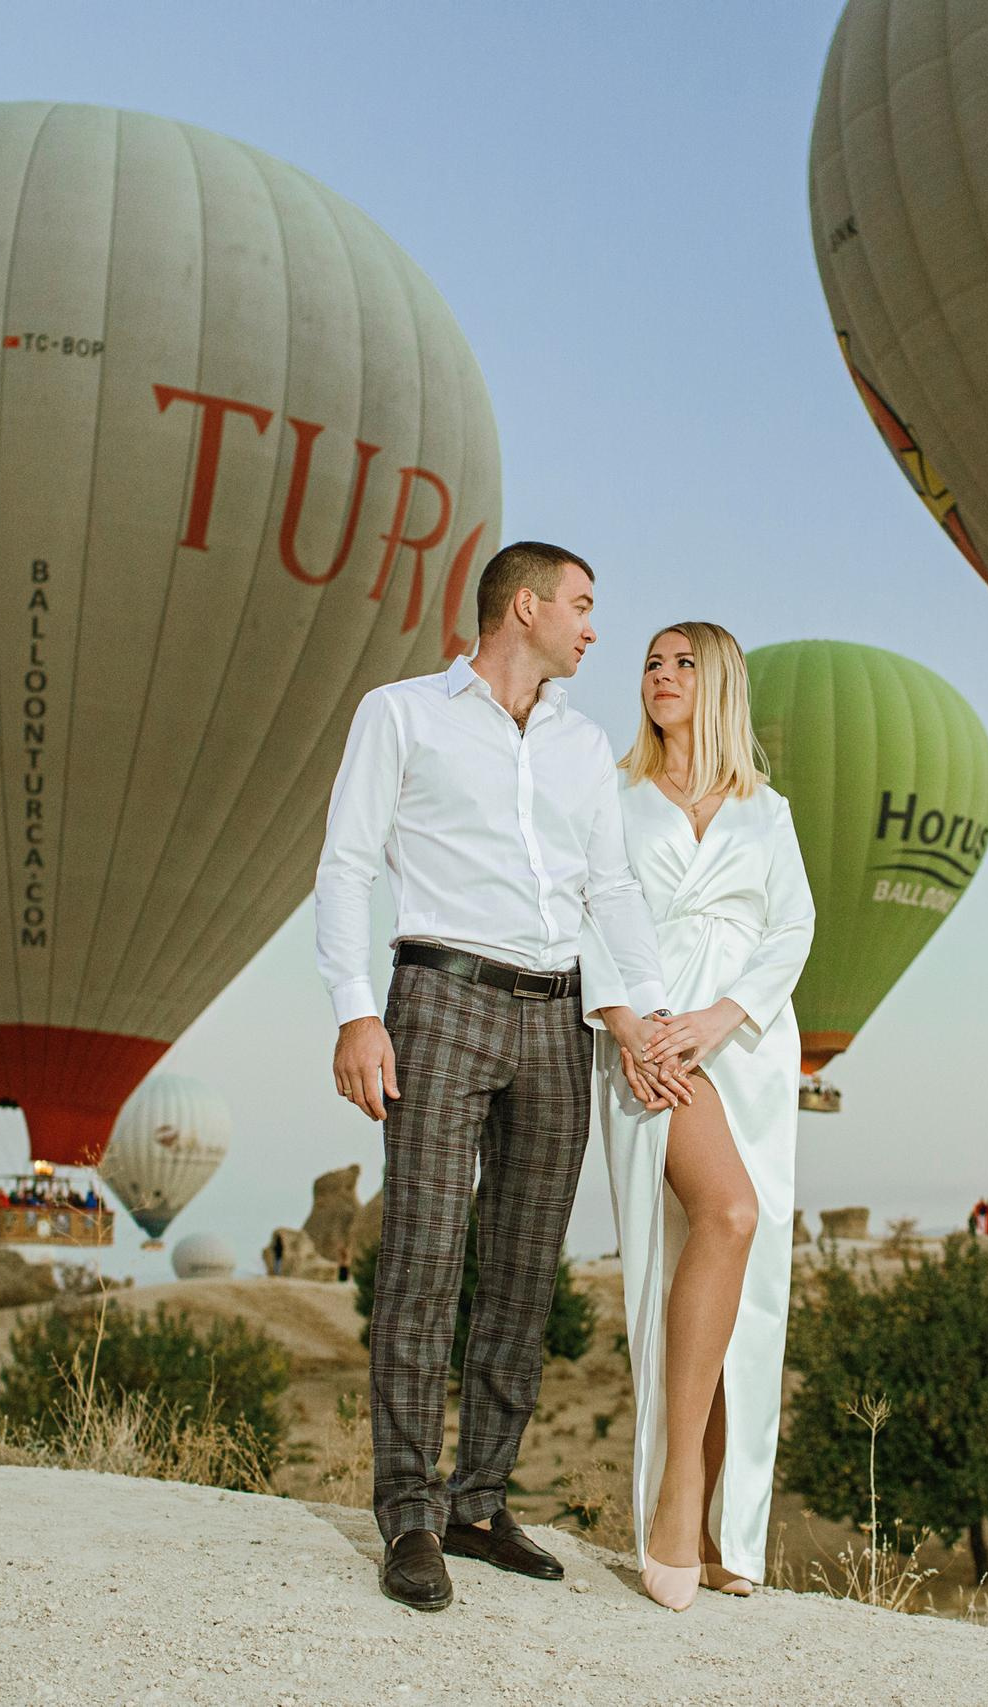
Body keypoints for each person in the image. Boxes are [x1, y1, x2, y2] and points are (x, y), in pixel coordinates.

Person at [318, 541, 681, 1615]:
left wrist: (646, 1014)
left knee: (522, 1273)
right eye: (580, 604)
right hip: (438, 997)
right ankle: (409, 1515)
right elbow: (345, 863)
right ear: (522, 608)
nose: (593, 627)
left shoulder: (581, 747)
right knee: (425, 1257)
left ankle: (479, 1502)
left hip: (556, 1013)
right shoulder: (402, 714)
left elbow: (609, 889)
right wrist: (352, 1010)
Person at [584, 621, 814, 1613]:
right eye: (650, 662)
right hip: (649, 1040)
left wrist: (726, 1017)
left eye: (682, 663)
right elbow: (584, 909)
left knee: (744, 1285)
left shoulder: (768, 814)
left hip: (745, 1044)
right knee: (726, 1216)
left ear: (717, 683)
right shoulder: (613, 797)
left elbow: (792, 925)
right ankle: (677, 1494)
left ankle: (728, 1529)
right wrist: (631, 1028)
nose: (660, 676)